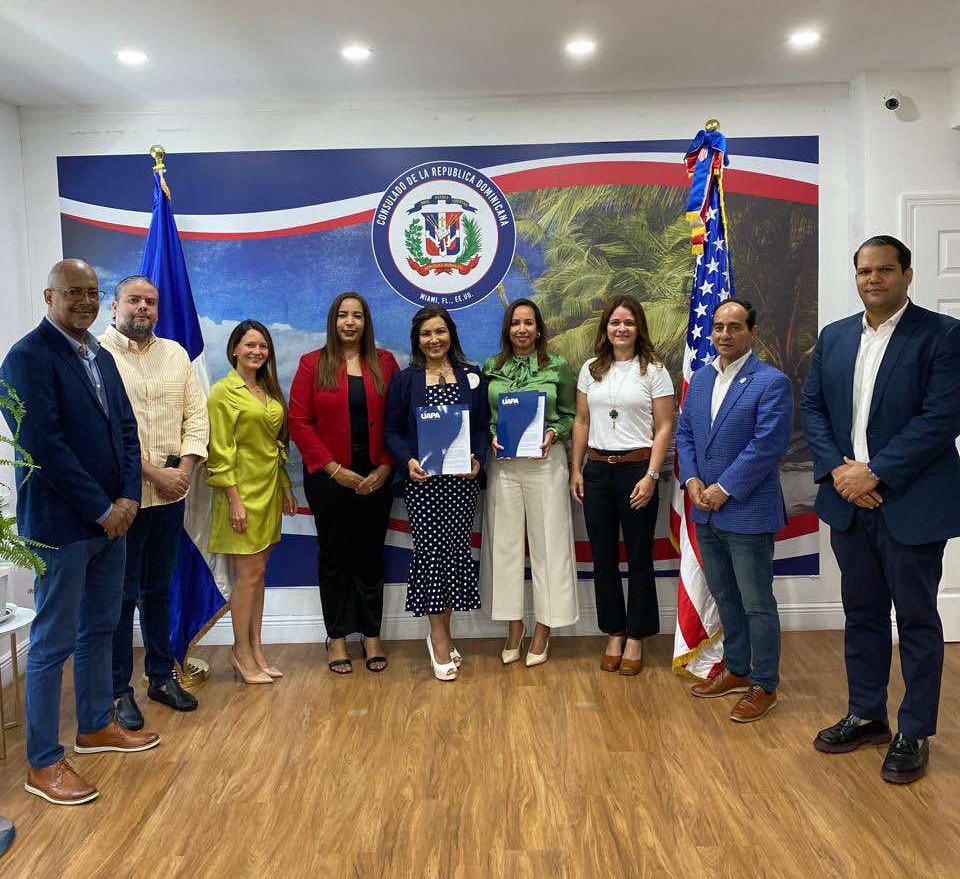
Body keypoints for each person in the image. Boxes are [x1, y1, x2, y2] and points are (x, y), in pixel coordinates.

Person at [800, 235, 960, 783]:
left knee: (916, 620)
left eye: (885, 270)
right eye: (864, 271)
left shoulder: (942, 335)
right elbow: (812, 406)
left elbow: (941, 418)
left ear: (907, 275)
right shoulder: (836, 336)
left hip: (910, 503)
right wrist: (840, 472)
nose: (873, 279)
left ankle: (914, 730)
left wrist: (876, 473)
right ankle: (867, 713)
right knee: (863, 614)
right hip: (849, 502)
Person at [0, 259, 160, 807]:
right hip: (62, 527)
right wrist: (101, 508)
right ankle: (43, 762)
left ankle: (95, 726)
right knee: (51, 643)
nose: (85, 302)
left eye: (92, 292)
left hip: (114, 521)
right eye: (73, 292)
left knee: (100, 627)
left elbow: (126, 430)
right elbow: (43, 446)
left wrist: (129, 499)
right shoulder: (26, 358)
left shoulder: (100, 354)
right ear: (49, 296)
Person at [675, 298, 792, 723]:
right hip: (704, 509)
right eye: (719, 327)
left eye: (735, 327)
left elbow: (767, 446)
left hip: (746, 510)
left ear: (752, 332)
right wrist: (691, 480)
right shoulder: (702, 379)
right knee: (725, 595)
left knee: (756, 602)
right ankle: (738, 670)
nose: (725, 334)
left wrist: (724, 489)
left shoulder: (771, 382)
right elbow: (685, 434)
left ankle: (765, 684)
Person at [100, 276, 209, 727]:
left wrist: (183, 469)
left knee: (159, 590)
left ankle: (161, 678)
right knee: (121, 597)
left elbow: (196, 416)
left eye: (150, 301)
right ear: (115, 306)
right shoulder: (96, 355)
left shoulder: (176, 354)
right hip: (122, 500)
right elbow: (104, 430)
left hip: (170, 498)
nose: (143, 307)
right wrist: (153, 473)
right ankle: (118, 691)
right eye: (134, 300)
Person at [288, 293, 399, 674]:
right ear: (333, 321)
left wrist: (385, 467)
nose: (350, 322)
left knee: (370, 556)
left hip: (376, 477)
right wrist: (335, 470)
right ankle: (336, 637)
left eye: (357, 316)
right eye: (343, 315)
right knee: (335, 557)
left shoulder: (385, 362)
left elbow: (397, 419)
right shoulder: (311, 364)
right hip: (328, 477)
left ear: (366, 322)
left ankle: (371, 634)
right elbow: (299, 422)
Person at [384, 306, 489, 681]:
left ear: (451, 334)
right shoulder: (405, 380)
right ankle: (439, 637)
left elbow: (481, 427)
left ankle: (444, 633)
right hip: (424, 484)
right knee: (431, 556)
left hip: (460, 484)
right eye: (426, 333)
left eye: (440, 331)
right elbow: (391, 431)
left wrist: (477, 459)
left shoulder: (472, 376)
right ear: (417, 339)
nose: (434, 339)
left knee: (455, 555)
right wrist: (407, 460)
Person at [570, 296, 674, 674]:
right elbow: (582, 421)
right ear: (606, 327)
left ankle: (636, 636)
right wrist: (576, 469)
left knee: (639, 556)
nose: (621, 329)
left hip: (637, 472)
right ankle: (614, 631)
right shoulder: (590, 369)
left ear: (639, 327)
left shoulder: (654, 370)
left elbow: (664, 426)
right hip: (597, 472)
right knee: (603, 558)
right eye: (615, 322)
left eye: (629, 322)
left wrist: (651, 475)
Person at [479, 298, 579, 666]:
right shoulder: (492, 367)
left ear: (539, 329)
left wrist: (554, 433)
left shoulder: (558, 366)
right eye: (515, 323)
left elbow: (570, 415)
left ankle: (544, 627)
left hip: (545, 463)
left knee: (550, 545)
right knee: (504, 546)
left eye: (529, 323)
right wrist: (491, 434)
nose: (522, 329)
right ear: (507, 329)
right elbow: (484, 415)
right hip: (504, 465)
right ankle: (514, 626)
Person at [206, 320, 297, 684]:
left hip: (269, 491)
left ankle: (256, 649)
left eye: (263, 346)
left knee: (258, 576)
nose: (257, 351)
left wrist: (285, 486)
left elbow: (275, 445)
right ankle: (240, 652)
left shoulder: (267, 389)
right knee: (246, 578)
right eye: (250, 345)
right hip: (240, 495)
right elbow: (219, 451)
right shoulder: (222, 393)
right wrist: (234, 499)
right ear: (234, 349)